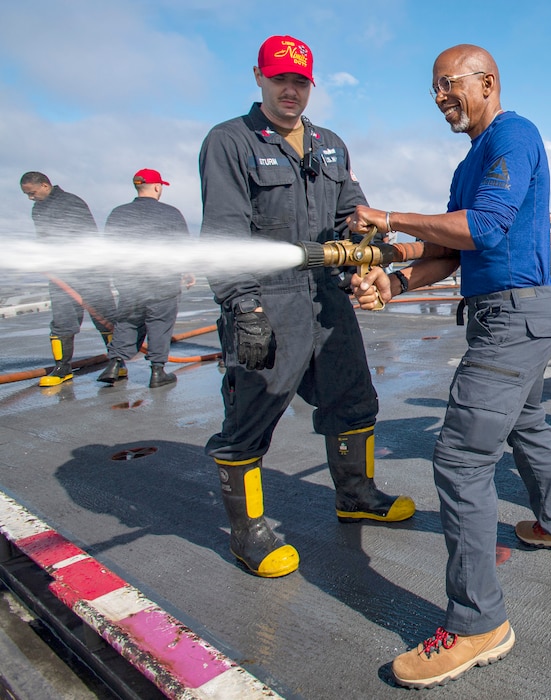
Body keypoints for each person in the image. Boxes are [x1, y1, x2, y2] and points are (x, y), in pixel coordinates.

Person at [346, 44, 551, 688]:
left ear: (487, 81)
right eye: (433, 90)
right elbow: (446, 252)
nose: (439, 98)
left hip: (514, 318)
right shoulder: (468, 163)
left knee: (459, 460)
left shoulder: (515, 134)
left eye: (448, 84)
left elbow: (483, 226)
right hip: (504, 314)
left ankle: (478, 622)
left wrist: (389, 215)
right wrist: (395, 281)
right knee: (527, 421)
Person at [198, 35, 415, 580]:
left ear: (311, 84)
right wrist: (242, 306)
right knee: (251, 414)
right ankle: (247, 533)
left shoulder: (331, 144)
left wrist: (363, 250)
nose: (290, 90)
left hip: (325, 297)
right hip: (267, 300)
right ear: (259, 78)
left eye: (300, 81)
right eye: (279, 80)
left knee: (353, 400)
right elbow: (223, 232)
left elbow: (349, 213)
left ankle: (356, 496)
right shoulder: (230, 142)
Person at [19, 172, 115, 387]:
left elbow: (82, 236)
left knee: (104, 317)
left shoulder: (71, 202)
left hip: (89, 271)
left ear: (45, 185)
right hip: (61, 274)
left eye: (32, 193)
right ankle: (62, 368)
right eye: (27, 195)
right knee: (62, 321)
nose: (30, 198)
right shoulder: (38, 209)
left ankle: (117, 362)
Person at [98, 169, 188, 388]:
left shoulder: (118, 213)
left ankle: (114, 364)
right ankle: (157, 372)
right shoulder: (171, 213)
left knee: (127, 322)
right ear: (157, 187)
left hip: (130, 282)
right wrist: (187, 271)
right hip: (163, 282)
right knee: (160, 324)